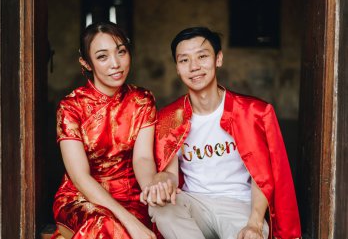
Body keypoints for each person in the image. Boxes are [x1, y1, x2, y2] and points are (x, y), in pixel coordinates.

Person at [142, 27, 301, 239]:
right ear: (177, 68)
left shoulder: (252, 113)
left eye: (202, 56)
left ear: (218, 59)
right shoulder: (170, 118)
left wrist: (254, 223)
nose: (194, 67)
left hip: (240, 207)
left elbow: (262, 176)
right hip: (194, 203)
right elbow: (170, 173)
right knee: (160, 208)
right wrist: (160, 180)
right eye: (184, 60)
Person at [51, 21, 158, 239]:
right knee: (105, 225)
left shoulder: (142, 100)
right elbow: (80, 177)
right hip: (81, 199)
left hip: (131, 196)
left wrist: (152, 190)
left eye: (121, 52)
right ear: (86, 63)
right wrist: (129, 222)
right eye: (102, 56)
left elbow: (143, 159)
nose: (116, 64)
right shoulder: (71, 107)